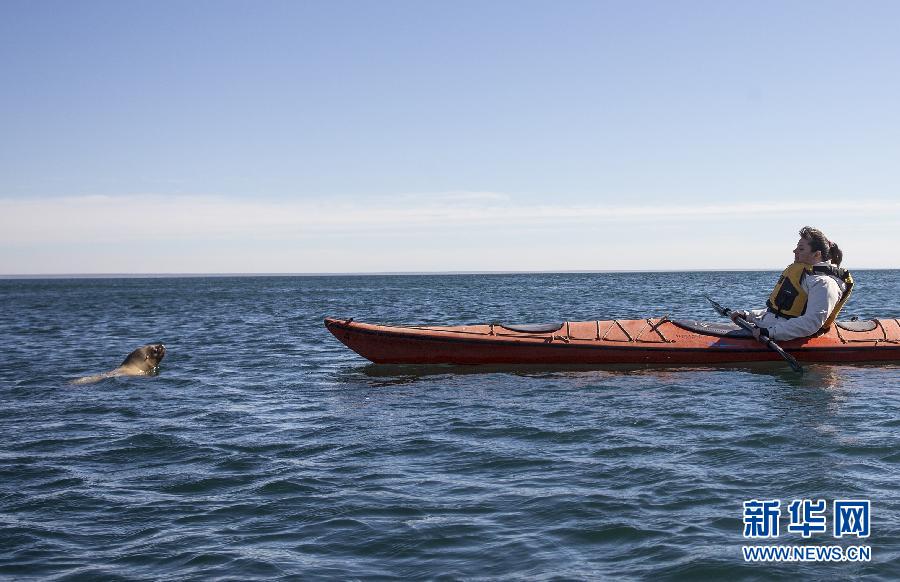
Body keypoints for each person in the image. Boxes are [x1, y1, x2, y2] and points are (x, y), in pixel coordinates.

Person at [731, 226, 854, 341]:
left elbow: (811, 323)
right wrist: (749, 315)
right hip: (769, 328)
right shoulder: (804, 274)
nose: (795, 251)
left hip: (785, 336)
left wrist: (770, 333)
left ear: (817, 254)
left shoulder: (824, 283)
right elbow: (778, 314)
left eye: (801, 248)